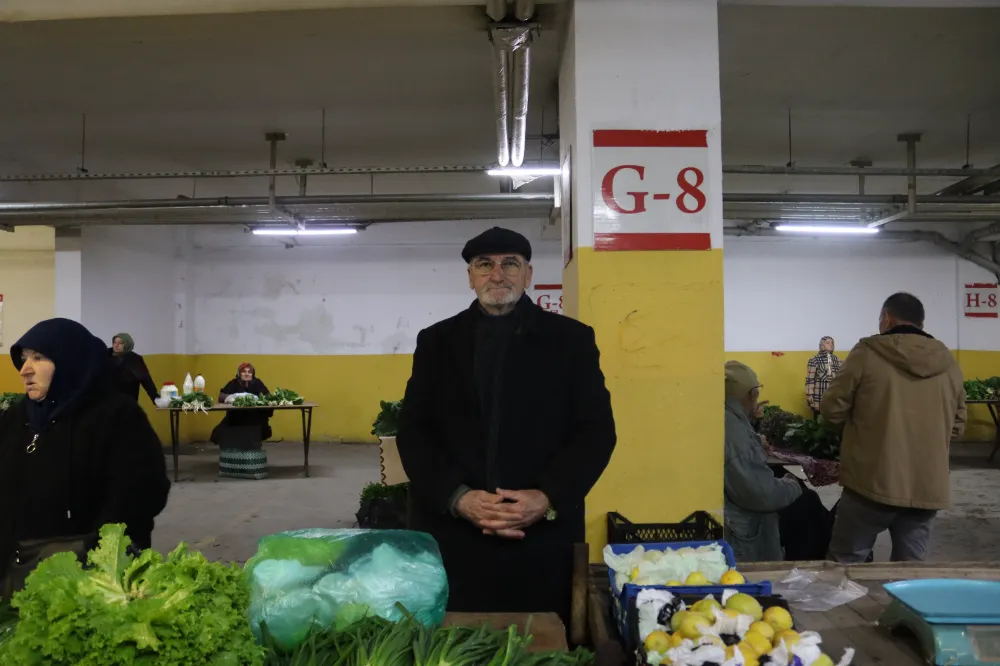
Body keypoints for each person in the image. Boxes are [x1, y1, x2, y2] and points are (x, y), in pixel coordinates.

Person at [397, 226, 616, 622]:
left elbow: (596, 431)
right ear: (471, 277)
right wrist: (458, 497)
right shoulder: (436, 342)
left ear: (527, 274)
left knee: (542, 638)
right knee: (452, 640)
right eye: (484, 265)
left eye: (509, 264)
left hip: (540, 538)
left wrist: (546, 497)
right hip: (454, 537)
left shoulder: (571, 341)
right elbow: (414, 431)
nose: (497, 275)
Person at [0, 319, 171, 593]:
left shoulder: (118, 417)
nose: (25, 370)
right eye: (24, 359)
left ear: (70, 361)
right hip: (16, 571)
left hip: (90, 576)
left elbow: (140, 495)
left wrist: (95, 558)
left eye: (39, 358)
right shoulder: (17, 418)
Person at [822, 292, 966, 563]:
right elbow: (957, 427)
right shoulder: (948, 361)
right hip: (926, 486)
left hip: (870, 481)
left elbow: (832, 411)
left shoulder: (867, 352)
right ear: (921, 323)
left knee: (846, 563)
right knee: (911, 568)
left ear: (887, 318)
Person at [724, 360, 802, 562]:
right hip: (741, 531)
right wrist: (793, 485)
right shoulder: (732, 427)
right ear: (752, 394)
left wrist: (755, 441)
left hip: (735, 517)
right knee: (807, 504)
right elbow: (762, 494)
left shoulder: (726, 417)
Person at [211, 363, 273, 446]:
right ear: (239, 374)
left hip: (254, 417)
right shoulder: (234, 383)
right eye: (244, 372)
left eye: (249, 372)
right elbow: (221, 396)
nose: (247, 374)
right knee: (221, 432)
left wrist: (258, 399)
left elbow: (268, 396)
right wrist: (234, 397)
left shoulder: (257, 383)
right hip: (236, 417)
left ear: (252, 374)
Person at [109, 332, 159, 405]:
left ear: (127, 344)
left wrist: (155, 398)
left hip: (128, 401)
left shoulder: (134, 359)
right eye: (114, 342)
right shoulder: (106, 356)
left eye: (120, 343)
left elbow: (146, 380)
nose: (116, 345)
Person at [805, 336, 841, 418]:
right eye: (828, 343)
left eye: (832, 343)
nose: (831, 345)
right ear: (822, 345)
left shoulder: (838, 361)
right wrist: (809, 395)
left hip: (834, 398)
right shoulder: (814, 360)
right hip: (819, 398)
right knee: (819, 420)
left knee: (834, 420)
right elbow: (810, 380)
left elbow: (841, 380)